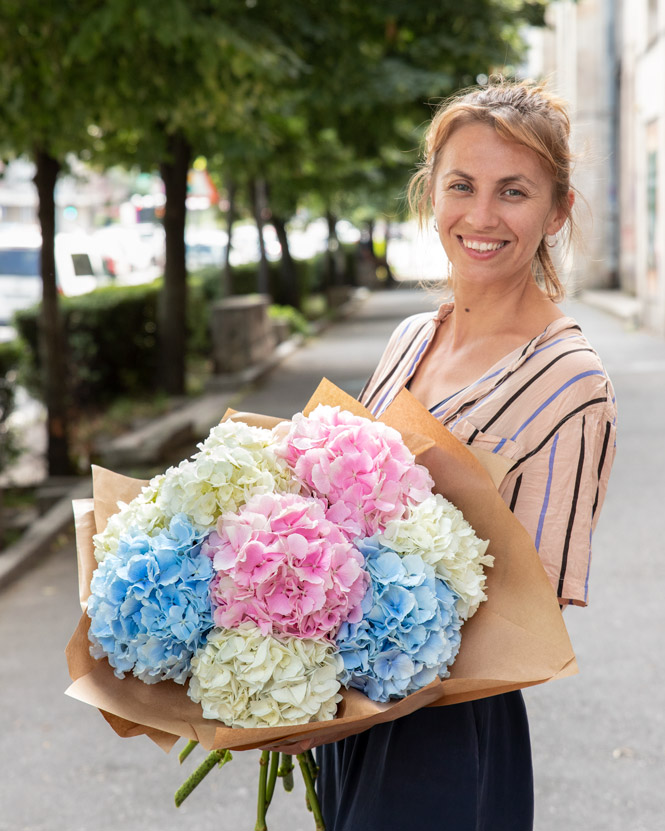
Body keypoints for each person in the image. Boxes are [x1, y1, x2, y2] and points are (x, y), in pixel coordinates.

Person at [275, 78, 617, 830]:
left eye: (514, 191)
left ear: (557, 209)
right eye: (460, 185)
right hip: (347, 714)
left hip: (446, 736)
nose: (482, 216)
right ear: (431, 191)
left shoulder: (570, 383)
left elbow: (527, 616)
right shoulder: (406, 340)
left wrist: (342, 705)